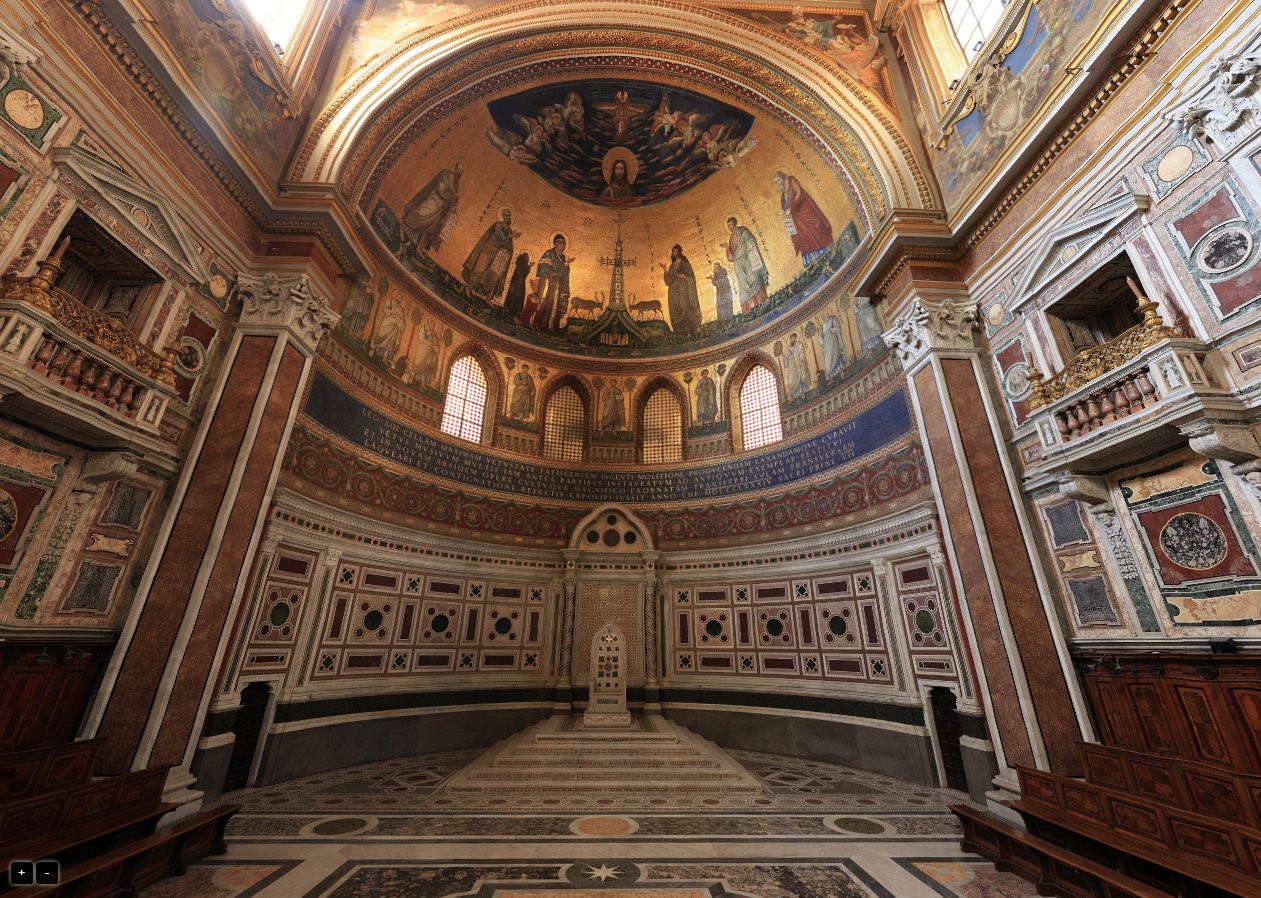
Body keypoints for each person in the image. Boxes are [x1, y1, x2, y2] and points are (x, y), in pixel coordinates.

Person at [773, 170, 833, 266]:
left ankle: (827, 251)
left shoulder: (792, 181)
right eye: (776, 182)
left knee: (816, 230)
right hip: (797, 221)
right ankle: (815, 261)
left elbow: (799, 195)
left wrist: (790, 209)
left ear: (783, 177)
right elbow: (786, 209)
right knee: (805, 238)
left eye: (778, 180)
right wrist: (784, 212)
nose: (778, 183)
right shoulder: (782, 195)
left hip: (806, 210)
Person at [401, 162, 463, 252]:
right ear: (455, 168)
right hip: (434, 200)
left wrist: (453, 210)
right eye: (459, 170)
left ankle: (414, 242)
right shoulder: (445, 175)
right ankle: (403, 228)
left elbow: (453, 201)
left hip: (441, 209)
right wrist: (456, 196)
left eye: (461, 172)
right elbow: (441, 191)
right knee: (421, 214)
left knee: (433, 225)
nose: (459, 173)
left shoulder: (456, 184)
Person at [462, 208, 518, 301]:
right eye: (507, 215)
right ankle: (468, 287)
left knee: (491, 275)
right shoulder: (498, 225)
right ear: (503, 217)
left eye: (509, 216)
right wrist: (511, 236)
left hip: (497, 254)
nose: (508, 217)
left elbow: (508, 245)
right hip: (487, 250)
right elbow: (500, 237)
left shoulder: (509, 230)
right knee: (479, 269)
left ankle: (485, 295)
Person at [725, 217, 769, 312]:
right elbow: (731, 258)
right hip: (738, 263)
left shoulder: (743, 230)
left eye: (731, 224)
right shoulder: (730, 240)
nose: (730, 227)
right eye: (728, 225)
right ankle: (749, 307)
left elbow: (750, 239)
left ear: (735, 223)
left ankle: (764, 298)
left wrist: (750, 246)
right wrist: (727, 248)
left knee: (753, 277)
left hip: (747, 257)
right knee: (743, 284)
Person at [535, 234, 574, 331]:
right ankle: (539, 323)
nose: (563, 246)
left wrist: (566, 265)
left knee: (556, 304)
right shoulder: (549, 253)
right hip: (548, 284)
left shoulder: (564, 257)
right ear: (555, 244)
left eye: (564, 244)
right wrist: (560, 270)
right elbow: (543, 268)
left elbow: (565, 274)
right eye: (561, 243)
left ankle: (551, 325)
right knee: (546, 302)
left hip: (558, 286)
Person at [661, 244, 702, 335]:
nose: (673, 253)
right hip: (673, 292)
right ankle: (679, 332)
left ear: (679, 252)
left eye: (675, 251)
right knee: (674, 311)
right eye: (672, 252)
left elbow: (691, 276)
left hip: (683, 289)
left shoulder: (684, 263)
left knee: (684, 307)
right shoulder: (672, 266)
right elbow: (668, 282)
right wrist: (665, 270)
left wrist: (683, 276)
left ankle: (697, 327)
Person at [372, 295, 405, 362]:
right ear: (395, 297)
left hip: (395, 327)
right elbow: (384, 309)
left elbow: (402, 320)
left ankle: (385, 357)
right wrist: (391, 311)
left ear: (401, 301)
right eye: (398, 297)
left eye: (400, 298)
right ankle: (375, 351)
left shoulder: (401, 310)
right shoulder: (390, 302)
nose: (398, 299)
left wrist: (400, 324)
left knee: (391, 341)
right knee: (381, 334)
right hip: (387, 322)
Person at [504, 251, 531, 320]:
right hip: (515, 282)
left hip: (521, 283)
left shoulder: (525, 265)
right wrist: (528, 267)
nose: (527, 258)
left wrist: (529, 267)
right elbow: (520, 272)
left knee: (520, 296)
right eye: (526, 256)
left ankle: (516, 311)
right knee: (513, 294)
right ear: (522, 257)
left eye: (528, 257)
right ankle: (509, 308)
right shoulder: (519, 263)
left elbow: (525, 274)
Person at [819, 312, 846, 379]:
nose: (827, 315)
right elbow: (821, 342)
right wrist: (820, 336)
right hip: (827, 346)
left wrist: (832, 330)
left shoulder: (833, 319)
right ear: (823, 318)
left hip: (834, 342)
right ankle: (832, 376)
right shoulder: (822, 326)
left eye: (827, 314)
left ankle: (841, 371)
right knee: (828, 361)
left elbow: (837, 327)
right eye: (825, 315)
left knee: (836, 356)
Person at [783, 332, 810, 398]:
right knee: (792, 379)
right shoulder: (788, 350)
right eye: (790, 339)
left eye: (792, 338)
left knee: (801, 375)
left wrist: (801, 360)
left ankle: (803, 392)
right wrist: (784, 357)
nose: (791, 340)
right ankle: (796, 394)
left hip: (799, 363)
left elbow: (801, 352)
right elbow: (786, 362)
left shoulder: (799, 344)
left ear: (795, 338)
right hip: (792, 367)